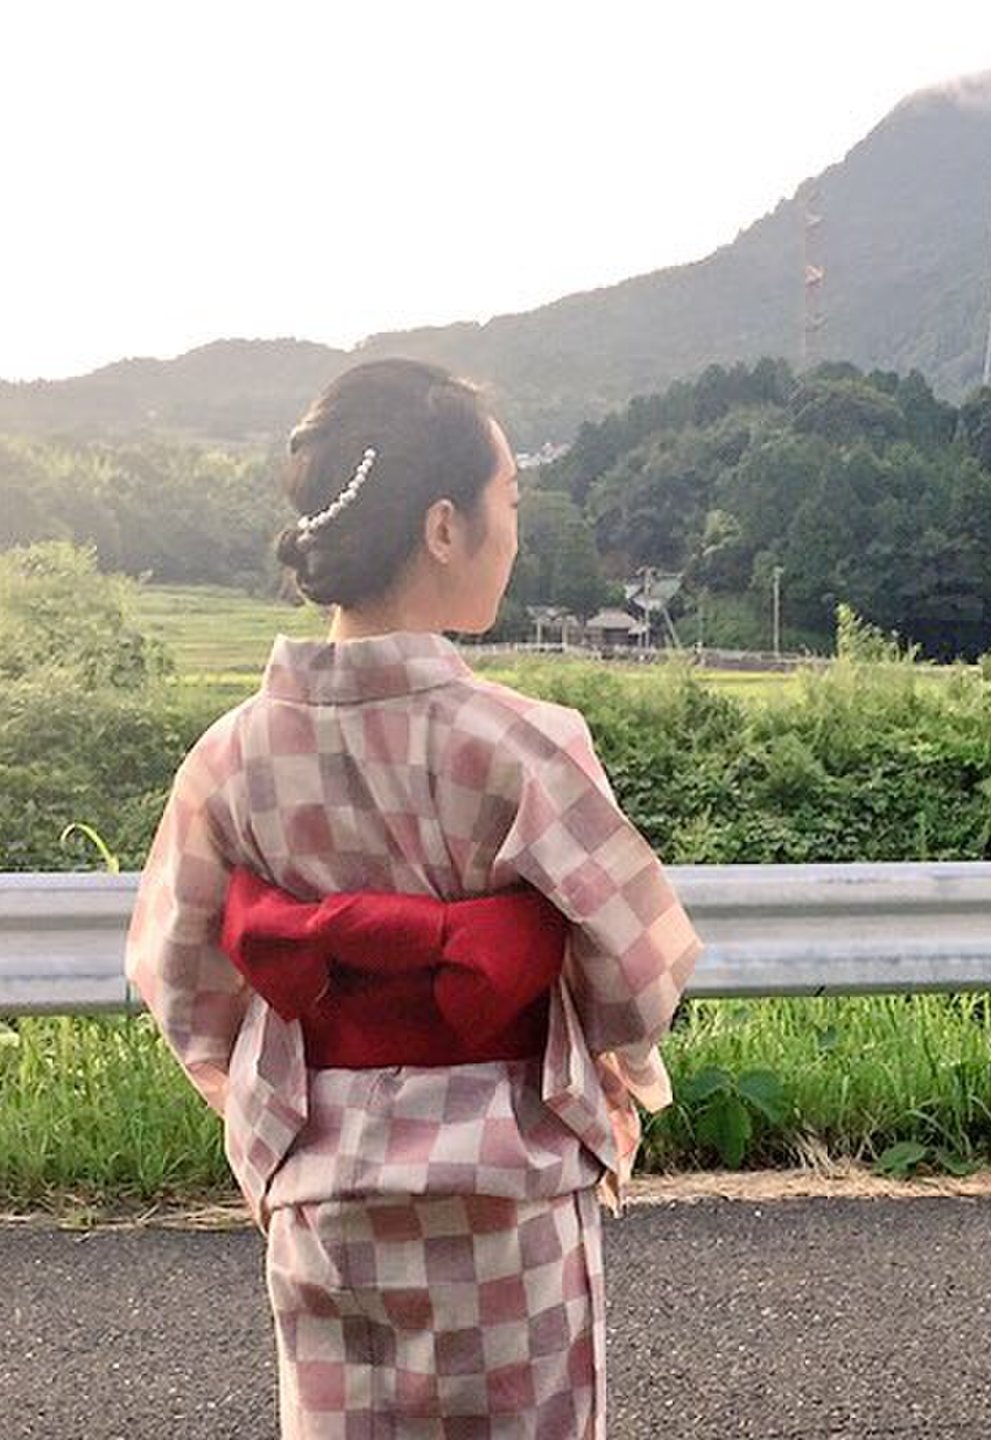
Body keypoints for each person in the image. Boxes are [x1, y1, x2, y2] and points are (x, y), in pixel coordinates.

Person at [125, 357, 702, 1438]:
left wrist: (291, 1101)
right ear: (445, 527)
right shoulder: (528, 745)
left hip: (326, 1200)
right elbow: (640, 976)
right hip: (508, 1199)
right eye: (510, 503)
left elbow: (180, 985)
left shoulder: (231, 760)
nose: (514, 531)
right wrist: (588, 1070)